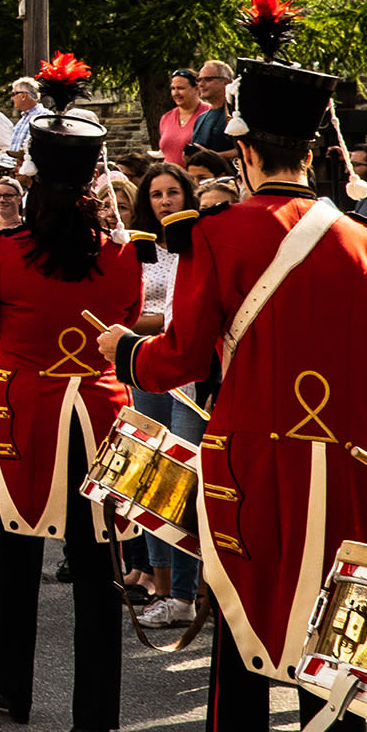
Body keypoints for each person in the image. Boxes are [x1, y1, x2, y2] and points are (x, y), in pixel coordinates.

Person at [101, 0, 367, 732]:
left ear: (243, 152)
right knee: (338, 659)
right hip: (346, 474)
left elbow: (182, 357)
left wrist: (129, 354)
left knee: (244, 646)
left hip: (246, 468)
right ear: (314, 150)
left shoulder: (219, 234)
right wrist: (351, 432)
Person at [0, 57, 142, 732]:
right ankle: (94, 716)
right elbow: (123, 319)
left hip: (27, 407)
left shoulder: (8, 252)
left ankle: (14, 686)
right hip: (100, 411)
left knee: (19, 548)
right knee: (97, 566)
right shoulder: (120, 257)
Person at [121, 161, 204, 627]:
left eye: (173, 192)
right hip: (145, 368)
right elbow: (125, 307)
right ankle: (163, 587)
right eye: (156, 195)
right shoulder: (141, 248)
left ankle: (189, 593)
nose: (166, 201)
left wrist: (143, 326)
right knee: (149, 478)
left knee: (185, 482)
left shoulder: (199, 244)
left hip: (187, 374)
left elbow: (170, 320)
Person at [156, 69, 205, 165]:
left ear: (196, 88)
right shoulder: (166, 118)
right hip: (171, 177)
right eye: (173, 89)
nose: (175, 93)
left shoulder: (208, 114)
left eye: (180, 88)